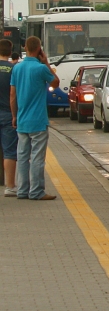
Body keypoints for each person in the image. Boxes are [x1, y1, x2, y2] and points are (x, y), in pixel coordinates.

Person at [11, 36, 60, 201]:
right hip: (38, 120)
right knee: (37, 158)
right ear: (39, 49)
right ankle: (37, 191)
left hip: (22, 120)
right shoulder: (40, 68)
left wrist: (14, 115)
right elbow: (56, 83)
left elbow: (12, 95)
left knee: (23, 157)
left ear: (25, 48)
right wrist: (46, 62)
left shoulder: (16, 68)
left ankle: (22, 191)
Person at [0, 40, 18, 197]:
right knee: (9, 151)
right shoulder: (14, 69)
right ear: (10, 51)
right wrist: (15, 115)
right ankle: (10, 186)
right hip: (7, 114)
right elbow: (14, 94)